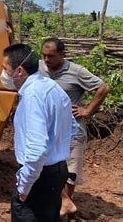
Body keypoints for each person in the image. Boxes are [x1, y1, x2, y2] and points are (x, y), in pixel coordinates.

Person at [1, 43, 77, 222]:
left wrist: (24, 186)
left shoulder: (32, 96)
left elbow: (36, 150)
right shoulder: (52, 87)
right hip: (57, 172)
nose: (3, 74)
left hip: (39, 178)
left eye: (5, 69)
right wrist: (57, 149)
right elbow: (72, 127)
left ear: (19, 71)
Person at [39, 37, 109, 217]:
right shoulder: (39, 68)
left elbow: (102, 88)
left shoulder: (76, 71)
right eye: (44, 55)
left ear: (63, 54)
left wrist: (88, 110)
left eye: (51, 56)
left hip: (72, 129)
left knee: (71, 170)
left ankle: (63, 207)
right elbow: (17, 62)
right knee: (45, 165)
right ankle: (63, 203)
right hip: (46, 128)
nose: (47, 60)